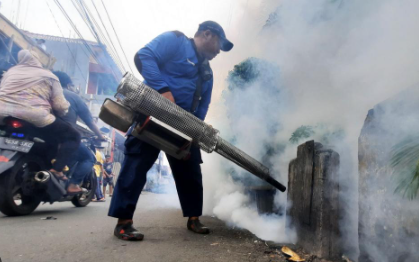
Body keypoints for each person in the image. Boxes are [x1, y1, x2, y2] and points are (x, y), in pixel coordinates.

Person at [108, 21, 233, 241]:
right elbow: (144, 56)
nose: (218, 52)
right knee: (136, 165)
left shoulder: (207, 72)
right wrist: (163, 90)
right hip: (151, 113)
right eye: (219, 45)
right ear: (207, 34)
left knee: (191, 171)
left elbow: (204, 104)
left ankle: (193, 218)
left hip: (182, 125)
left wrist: (198, 127)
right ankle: (123, 223)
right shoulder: (175, 41)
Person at [0, 50, 80, 179]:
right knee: (73, 136)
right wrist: (63, 111)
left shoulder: (10, 73)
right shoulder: (49, 76)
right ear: (38, 60)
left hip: (3, 115)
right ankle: (57, 169)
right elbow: (60, 105)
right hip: (34, 117)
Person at [52, 71, 104, 194]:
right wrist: (100, 136)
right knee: (89, 158)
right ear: (69, 85)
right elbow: (90, 122)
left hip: (41, 132)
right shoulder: (73, 96)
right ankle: (73, 183)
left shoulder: (45, 92)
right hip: (64, 136)